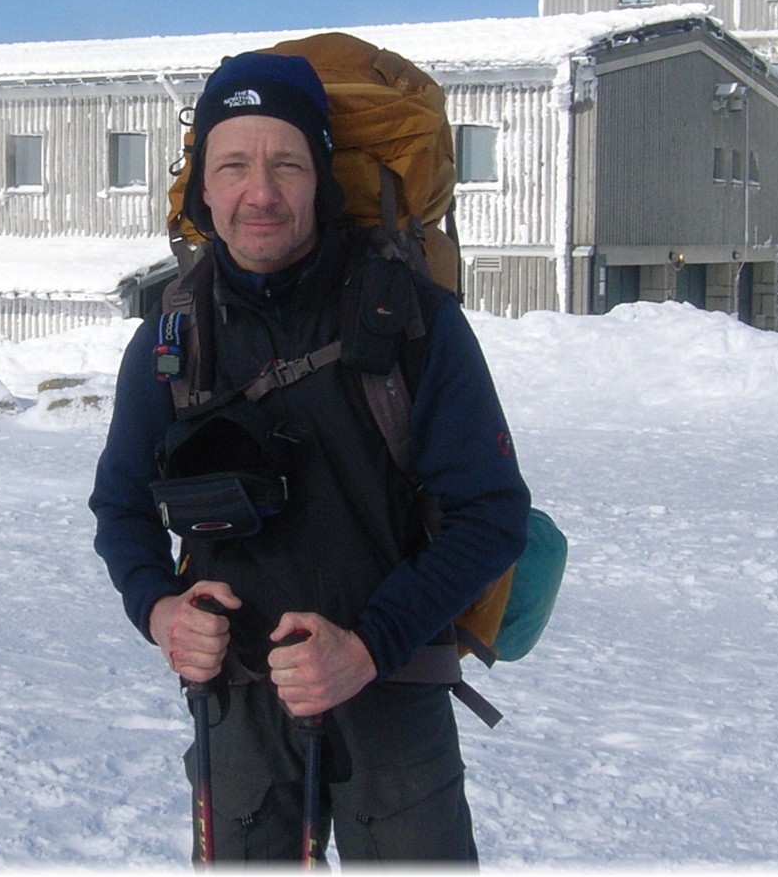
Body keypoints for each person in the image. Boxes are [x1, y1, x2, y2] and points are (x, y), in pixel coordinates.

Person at [89, 50, 530, 865]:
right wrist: (159, 609)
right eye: (234, 165)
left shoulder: (414, 321)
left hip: (393, 695)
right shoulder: (170, 337)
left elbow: (493, 515)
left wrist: (366, 647)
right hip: (237, 713)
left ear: (321, 179)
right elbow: (120, 508)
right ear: (202, 189)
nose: (260, 192)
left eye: (286, 163)